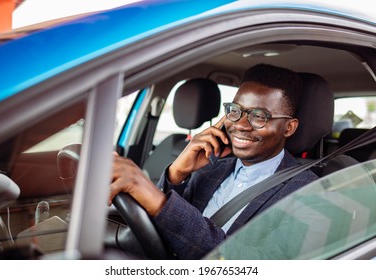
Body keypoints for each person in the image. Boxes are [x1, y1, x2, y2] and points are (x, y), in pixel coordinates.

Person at [109, 64, 319, 259]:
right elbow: (155, 229)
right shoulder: (210, 167)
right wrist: (177, 173)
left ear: (289, 128)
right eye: (235, 111)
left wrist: (159, 202)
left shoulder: (312, 193)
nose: (241, 125)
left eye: (258, 116)